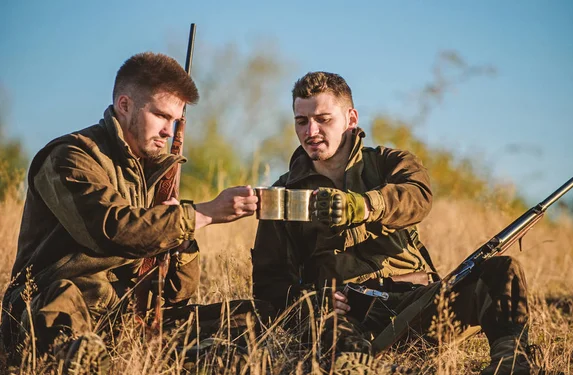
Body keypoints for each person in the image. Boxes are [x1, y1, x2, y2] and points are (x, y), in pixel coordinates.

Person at [251, 71, 535, 374]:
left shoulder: (389, 163)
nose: (311, 131)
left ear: (351, 118)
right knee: (332, 337)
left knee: (502, 271)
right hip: (345, 315)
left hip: (417, 304)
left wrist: (365, 205)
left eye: (324, 119)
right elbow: (269, 285)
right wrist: (310, 301)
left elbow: (419, 197)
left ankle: (511, 363)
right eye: (302, 121)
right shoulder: (281, 195)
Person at [0, 52, 259, 371]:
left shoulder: (154, 175)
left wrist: (181, 239)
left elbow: (178, 295)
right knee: (63, 306)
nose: (168, 130)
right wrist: (201, 214)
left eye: (175, 121)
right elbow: (111, 230)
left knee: (252, 318)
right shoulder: (70, 157)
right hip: (60, 306)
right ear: (124, 105)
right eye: (161, 116)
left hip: (126, 317)